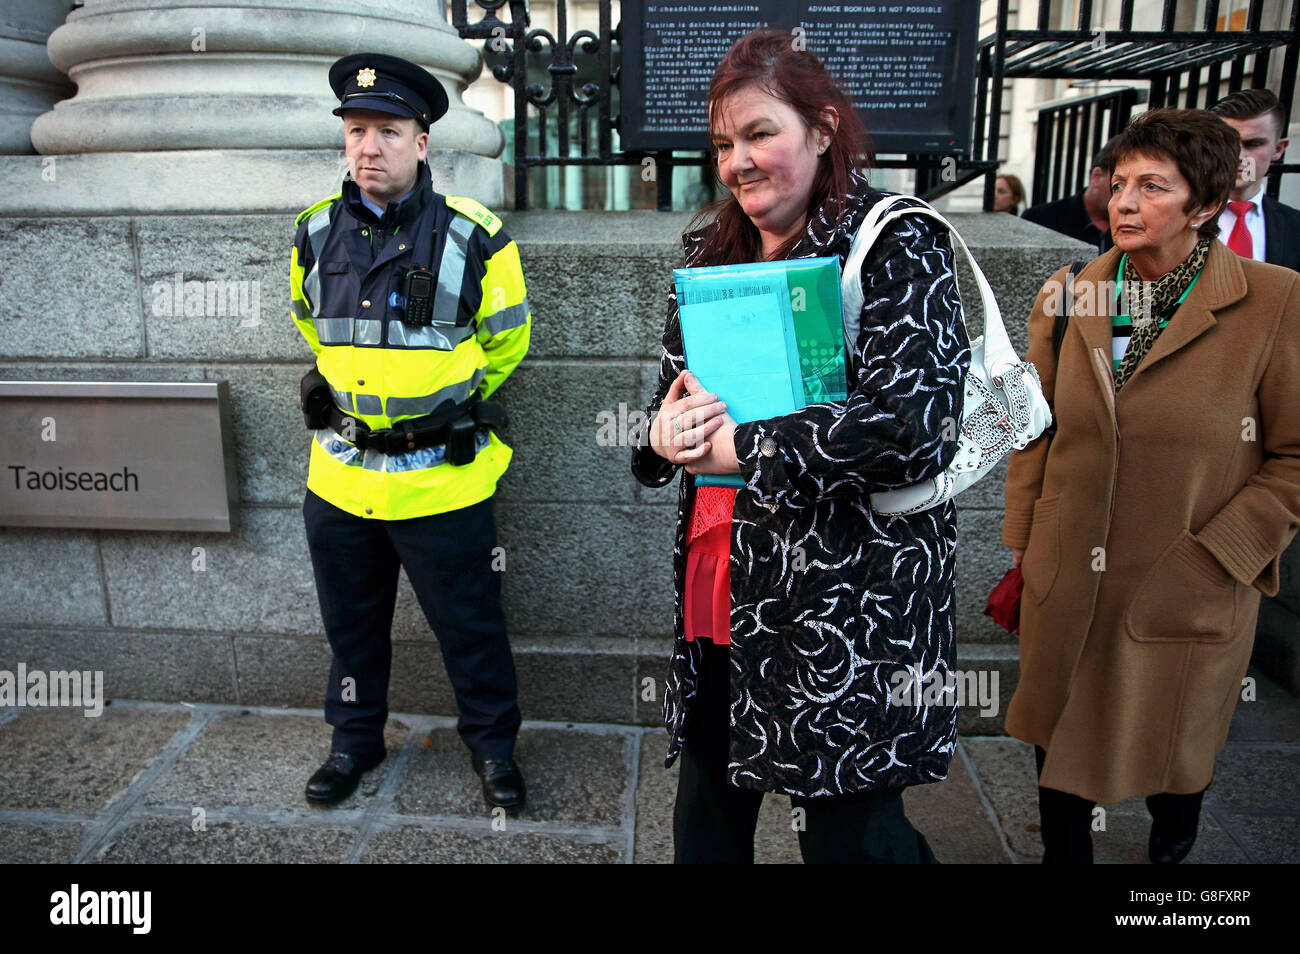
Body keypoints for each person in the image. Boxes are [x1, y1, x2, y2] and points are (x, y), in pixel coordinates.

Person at [630, 29, 971, 864]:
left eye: (759, 134)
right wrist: (658, 436)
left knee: (854, 839)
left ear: (821, 130)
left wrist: (744, 447)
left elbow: (913, 425)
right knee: (707, 814)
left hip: (850, 601)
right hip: (725, 581)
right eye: (722, 143)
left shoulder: (896, 242)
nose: (738, 161)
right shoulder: (713, 251)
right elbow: (674, 401)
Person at [1001, 108, 1300, 864]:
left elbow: (1296, 454)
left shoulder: (1273, 301)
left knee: (1176, 754)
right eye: (1121, 183)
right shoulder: (1068, 294)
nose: (1125, 202)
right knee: (1059, 741)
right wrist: (1025, 552)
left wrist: (1222, 556)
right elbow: (1032, 432)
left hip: (1190, 576)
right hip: (1068, 575)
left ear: (1204, 205)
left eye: (1153, 187)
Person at [289, 53, 532, 813]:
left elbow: (507, 343)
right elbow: (310, 329)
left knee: (471, 629)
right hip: (339, 478)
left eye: (388, 131)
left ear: (422, 143)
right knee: (351, 629)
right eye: (357, 130)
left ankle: (492, 751)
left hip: (442, 479)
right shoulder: (313, 233)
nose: (369, 147)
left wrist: (434, 407)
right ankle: (353, 743)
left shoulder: (476, 237)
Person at [1209, 88, 1300, 271]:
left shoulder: (1295, 227)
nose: (1239, 156)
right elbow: (1141, 289)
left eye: (1253, 144)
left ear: (1278, 149)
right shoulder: (1173, 218)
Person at [1022, 140, 1116, 254]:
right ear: (1097, 177)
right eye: (1119, 184)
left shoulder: (1137, 228)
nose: (1128, 195)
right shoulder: (1040, 220)